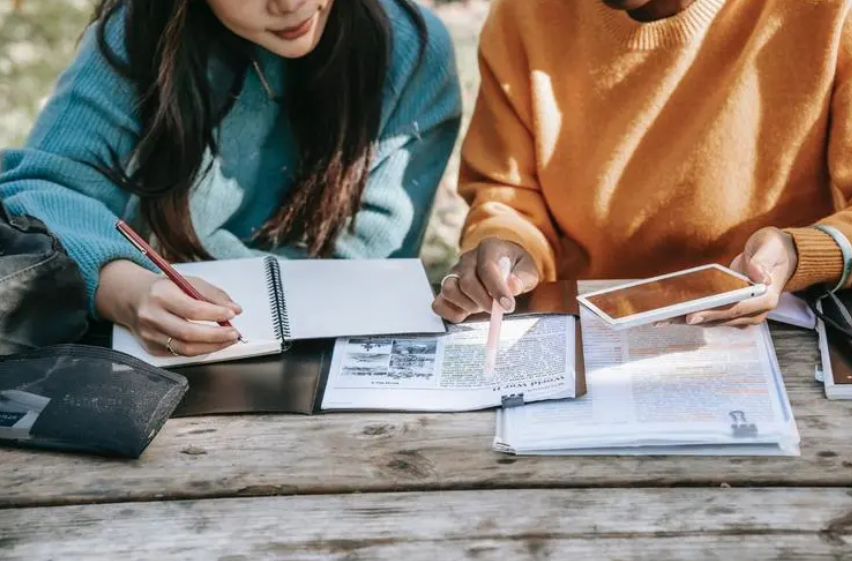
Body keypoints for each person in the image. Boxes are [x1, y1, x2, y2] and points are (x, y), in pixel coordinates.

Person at [0, 0, 461, 357]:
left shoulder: (411, 50)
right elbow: (42, 191)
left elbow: (368, 267)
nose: (290, 5)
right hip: (154, 359)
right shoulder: (142, 33)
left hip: (330, 362)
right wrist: (126, 290)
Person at [433, 0, 852, 327]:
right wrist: (508, 246)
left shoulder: (830, 14)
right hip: (584, 328)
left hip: (781, 333)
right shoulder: (524, 16)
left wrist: (801, 253)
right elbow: (508, 194)